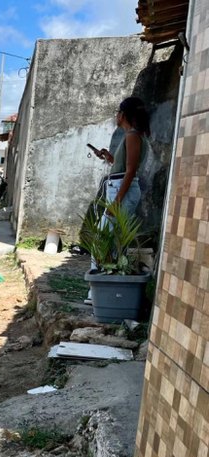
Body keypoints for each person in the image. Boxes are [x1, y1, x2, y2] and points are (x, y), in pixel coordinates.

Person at [85, 96, 150, 302]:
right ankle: (100, 290)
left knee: (102, 240)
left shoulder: (132, 136)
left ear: (122, 115)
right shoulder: (131, 136)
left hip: (122, 191)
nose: (116, 116)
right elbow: (124, 166)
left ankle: (97, 290)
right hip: (121, 188)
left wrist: (116, 202)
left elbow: (130, 171)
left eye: (117, 112)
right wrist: (109, 157)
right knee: (108, 241)